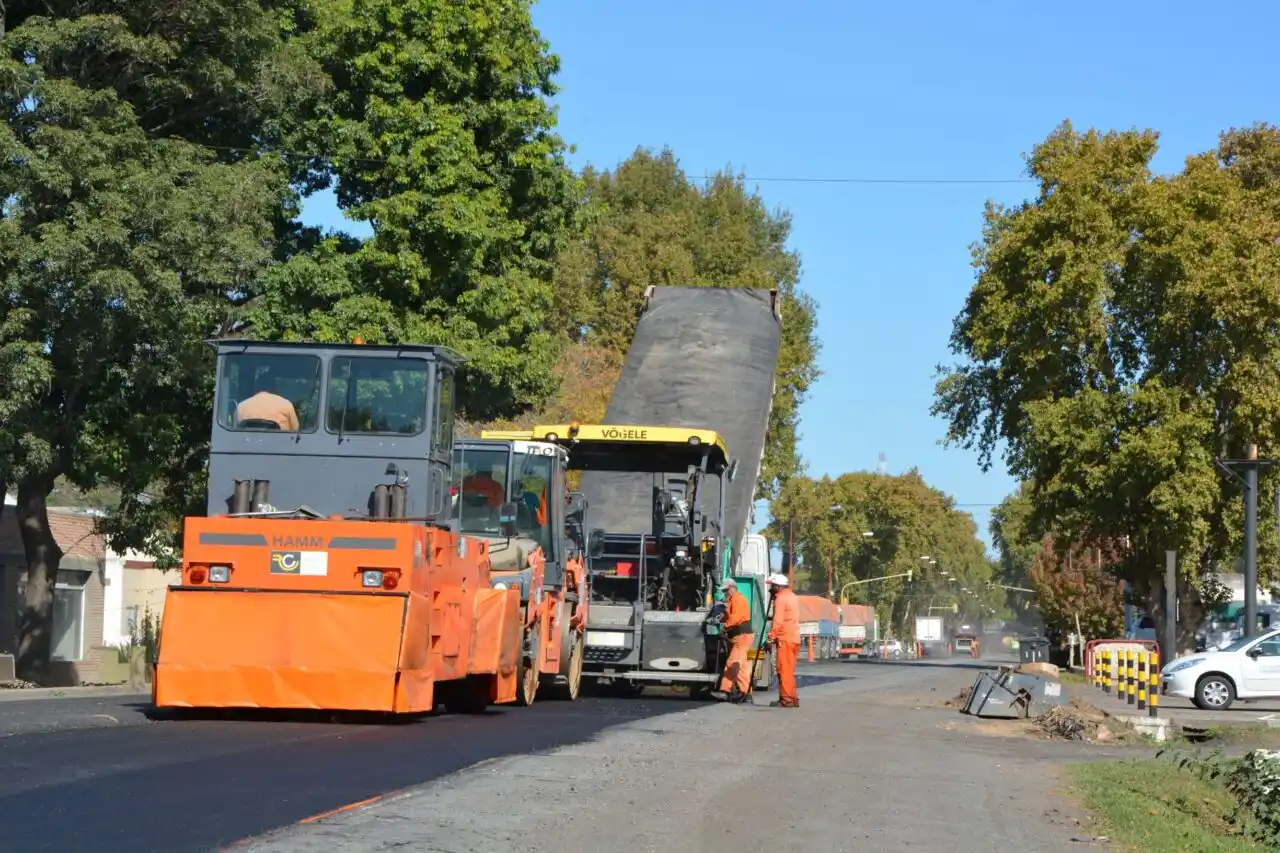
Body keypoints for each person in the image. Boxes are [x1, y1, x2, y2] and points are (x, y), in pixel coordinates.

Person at [715, 578, 754, 703]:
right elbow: (729, 615)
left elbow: (736, 617)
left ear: (732, 588)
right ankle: (745, 692)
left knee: (732, 663)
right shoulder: (734, 600)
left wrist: (724, 628)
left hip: (742, 636)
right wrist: (721, 619)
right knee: (741, 666)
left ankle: (725, 690)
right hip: (742, 635)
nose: (725, 593)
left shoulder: (737, 599)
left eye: (726, 590)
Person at [765, 572, 800, 708]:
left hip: (784, 638)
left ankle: (786, 700)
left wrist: (770, 638)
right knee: (789, 670)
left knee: (783, 670)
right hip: (793, 637)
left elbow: (778, 622)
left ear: (778, 586)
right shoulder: (792, 596)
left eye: (772, 586)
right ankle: (792, 697)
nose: (770, 589)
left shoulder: (781, 599)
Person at [235, 384, 300, 432]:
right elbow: (295, 431)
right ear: (274, 387)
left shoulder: (241, 406)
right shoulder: (286, 404)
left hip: (247, 447)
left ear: (255, 389)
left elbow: (235, 430)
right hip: (280, 447)